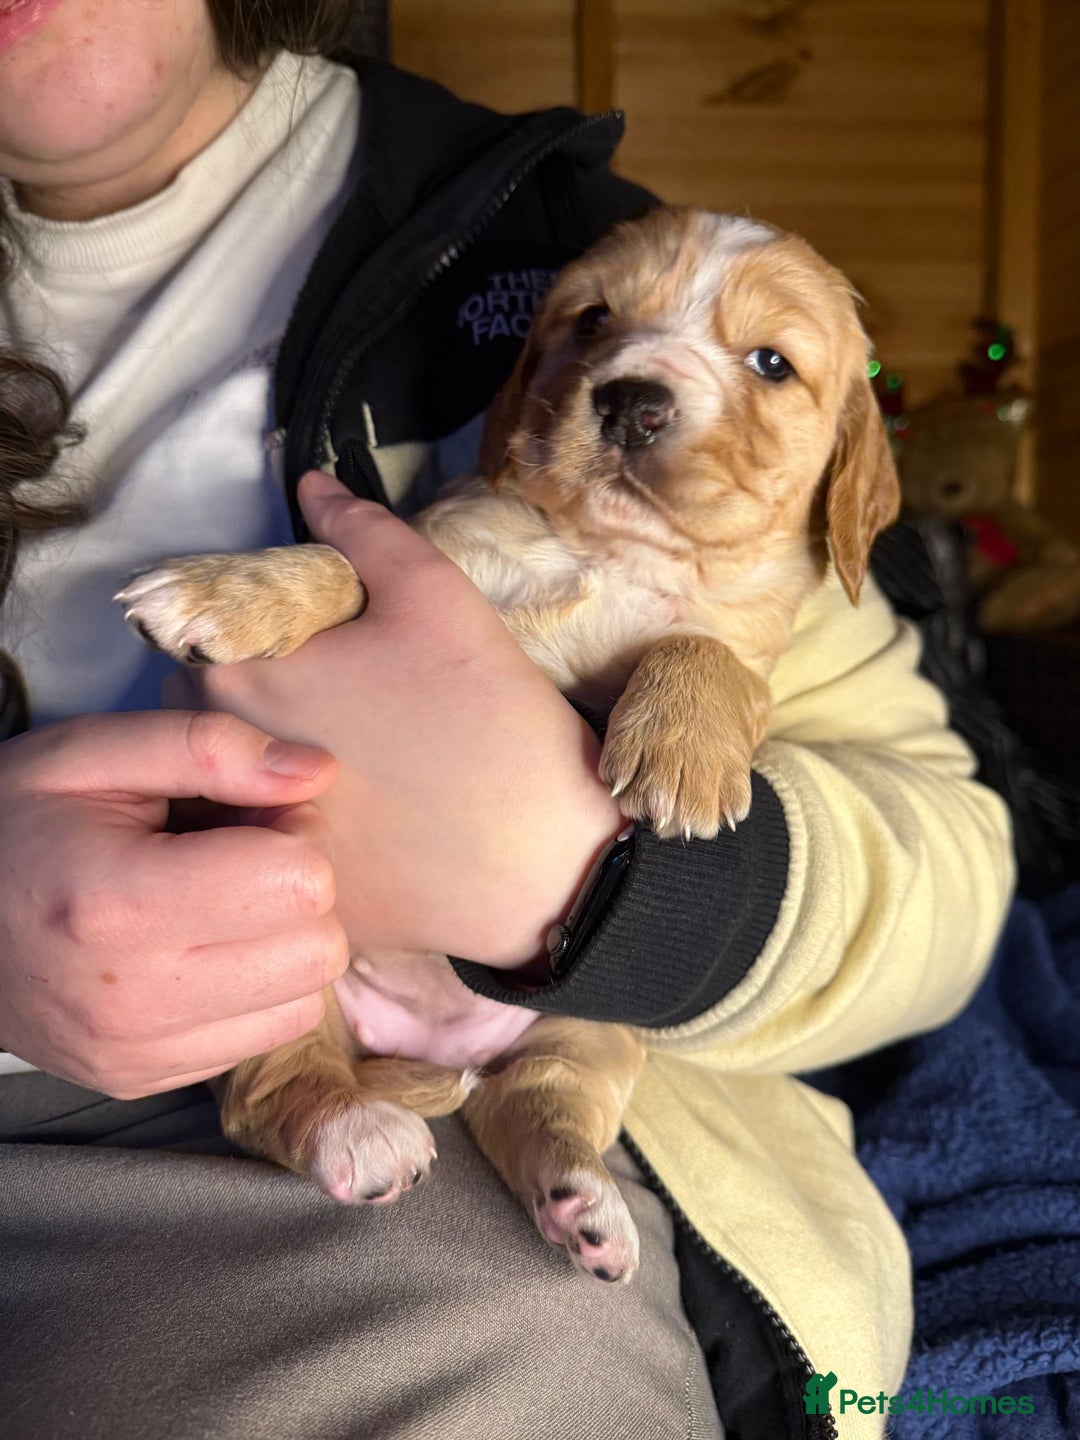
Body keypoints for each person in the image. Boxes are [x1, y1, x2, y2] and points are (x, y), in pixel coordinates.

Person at [0, 4, 1014, 1438]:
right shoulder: (524, 449)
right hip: (228, 1075)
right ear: (537, 376)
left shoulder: (543, 237)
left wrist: (598, 886)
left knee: (530, 1359)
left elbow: (952, 860)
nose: (640, 375)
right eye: (593, 332)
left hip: (435, 1112)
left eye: (766, 364)